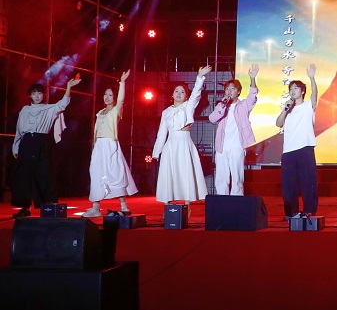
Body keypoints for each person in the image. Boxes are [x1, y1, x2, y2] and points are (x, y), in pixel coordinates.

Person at [11, 76, 81, 218]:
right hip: (26, 143)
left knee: (44, 174)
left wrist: (69, 87)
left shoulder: (49, 109)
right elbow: (19, 130)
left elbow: (63, 104)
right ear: (30, 95)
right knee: (24, 176)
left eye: (39, 93)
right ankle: (25, 207)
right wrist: (15, 147)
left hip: (41, 142)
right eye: (34, 93)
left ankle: (49, 206)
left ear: (44, 95)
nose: (37, 96)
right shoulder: (24, 110)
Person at [152, 65, 212, 210]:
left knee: (186, 173)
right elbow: (161, 134)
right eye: (176, 91)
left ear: (186, 96)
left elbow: (196, 93)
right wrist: (156, 153)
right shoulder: (166, 112)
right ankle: (167, 206)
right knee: (169, 173)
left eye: (182, 91)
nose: (179, 93)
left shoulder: (188, 106)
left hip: (185, 143)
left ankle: (187, 205)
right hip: (170, 145)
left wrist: (200, 77)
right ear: (172, 95)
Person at [83, 70, 138, 217]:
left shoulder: (115, 111)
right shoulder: (100, 112)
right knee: (96, 174)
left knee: (115, 174)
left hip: (110, 145)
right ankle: (95, 207)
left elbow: (121, 101)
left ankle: (124, 206)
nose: (107, 97)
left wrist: (122, 83)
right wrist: (95, 146)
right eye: (105, 94)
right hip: (99, 146)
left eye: (110, 95)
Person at [276, 64, 319, 218]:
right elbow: (278, 123)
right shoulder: (288, 108)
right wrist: (285, 110)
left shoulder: (308, 106)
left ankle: (309, 211)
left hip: (305, 149)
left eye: (296, 88)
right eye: (291, 89)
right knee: (289, 185)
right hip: (288, 151)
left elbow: (315, 94)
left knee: (308, 182)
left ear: (302, 91)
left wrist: (312, 78)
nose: (292, 91)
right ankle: (291, 213)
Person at [209, 64, 259, 196]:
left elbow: (252, 96)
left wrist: (252, 78)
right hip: (221, 146)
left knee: (237, 177)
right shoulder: (221, 105)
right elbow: (212, 119)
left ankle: (237, 202)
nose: (229, 91)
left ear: (238, 92)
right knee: (221, 177)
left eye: (233, 88)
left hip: (237, 145)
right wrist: (222, 106)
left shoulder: (243, 105)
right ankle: (222, 201)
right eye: (227, 89)